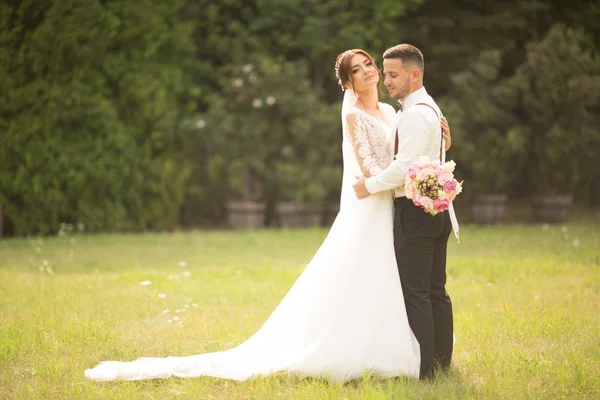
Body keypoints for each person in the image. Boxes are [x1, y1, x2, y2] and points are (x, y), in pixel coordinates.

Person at [84, 48, 451, 383]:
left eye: (369, 64)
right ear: (349, 82)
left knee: (405, 282)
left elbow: (408, 153)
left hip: (395, 200)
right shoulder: (354, 116)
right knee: (375, 273)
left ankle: (411, 352)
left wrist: (438, 144)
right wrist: (384, 179)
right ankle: (369, 349)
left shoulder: (392, 112)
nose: (370, 72)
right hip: (374, 202)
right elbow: (370, 164)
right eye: (359, 69)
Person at [353, 44, 458, 380]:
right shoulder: (427, 106)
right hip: (434, 210)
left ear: (415, 74)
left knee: (417, 293)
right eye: (387, 74)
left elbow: (402, 169)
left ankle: (425, 369)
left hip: (415, 211)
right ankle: (441, 363)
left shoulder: (413, 113)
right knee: (435, 290)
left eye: (394, 74)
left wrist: (367, 186)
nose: (388, 81)